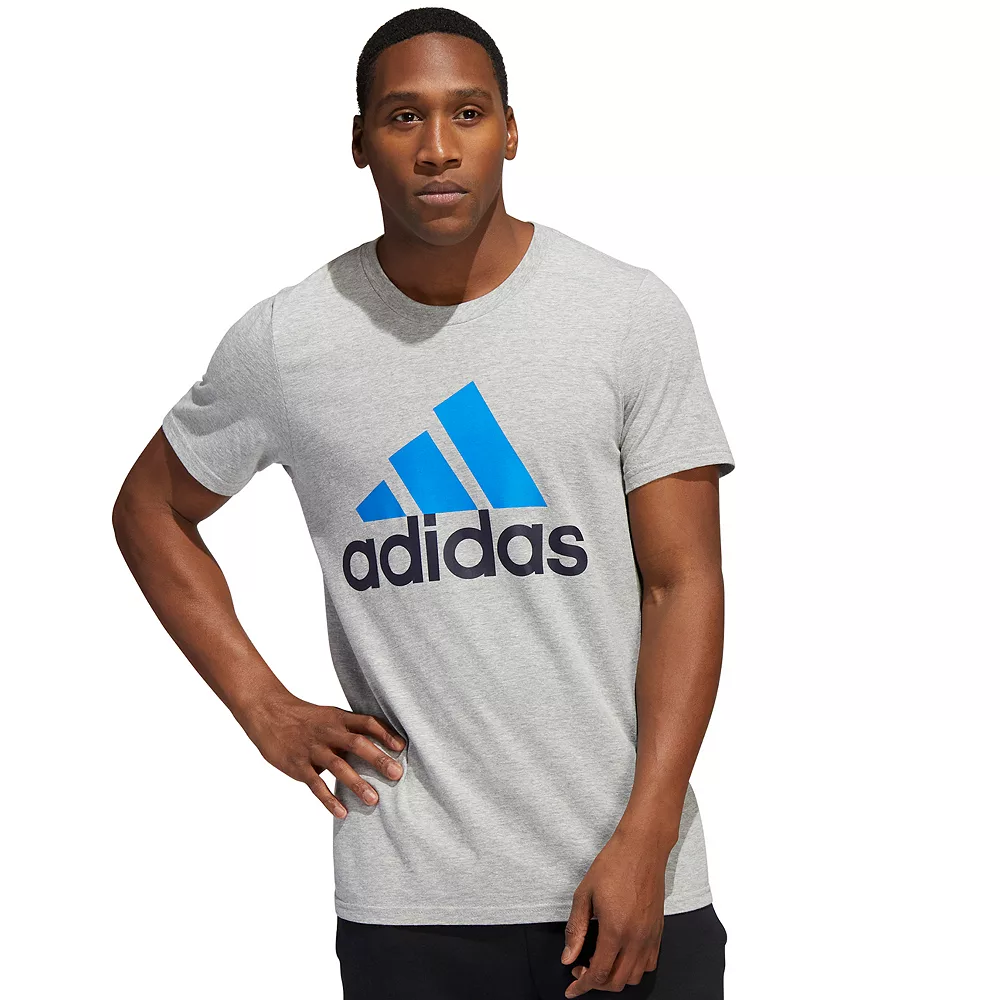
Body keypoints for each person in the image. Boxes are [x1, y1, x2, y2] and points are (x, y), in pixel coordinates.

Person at [113, 7, 736, 998]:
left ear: (511, 131)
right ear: (360, 141)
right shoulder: (288, 341)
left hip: (630, 885)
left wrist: (647, 838)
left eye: (468, 113)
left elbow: (683, 584)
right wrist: (263, 707)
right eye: (404, 116)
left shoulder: (624, 314)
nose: (438, 147)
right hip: (410, 907)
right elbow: (150, 508)